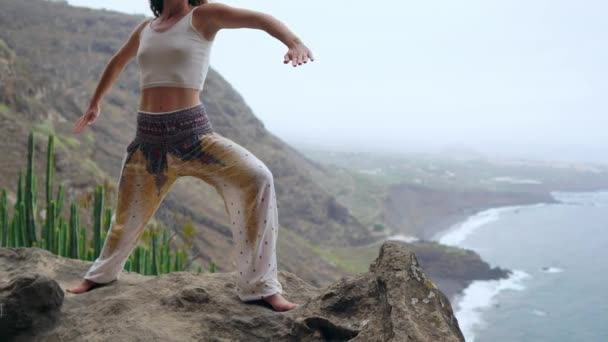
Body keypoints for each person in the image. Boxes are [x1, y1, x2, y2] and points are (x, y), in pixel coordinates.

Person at [66, 0, 314, 312]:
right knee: (124, 220)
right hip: (148, 142)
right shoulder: (145, 29)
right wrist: (94, 103)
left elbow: (259, 18)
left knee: (258, 178)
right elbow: (117, 62)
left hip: (193, 136)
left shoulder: (203, 17)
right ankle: (100, 276)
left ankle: (261, 286)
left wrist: (294, 42)